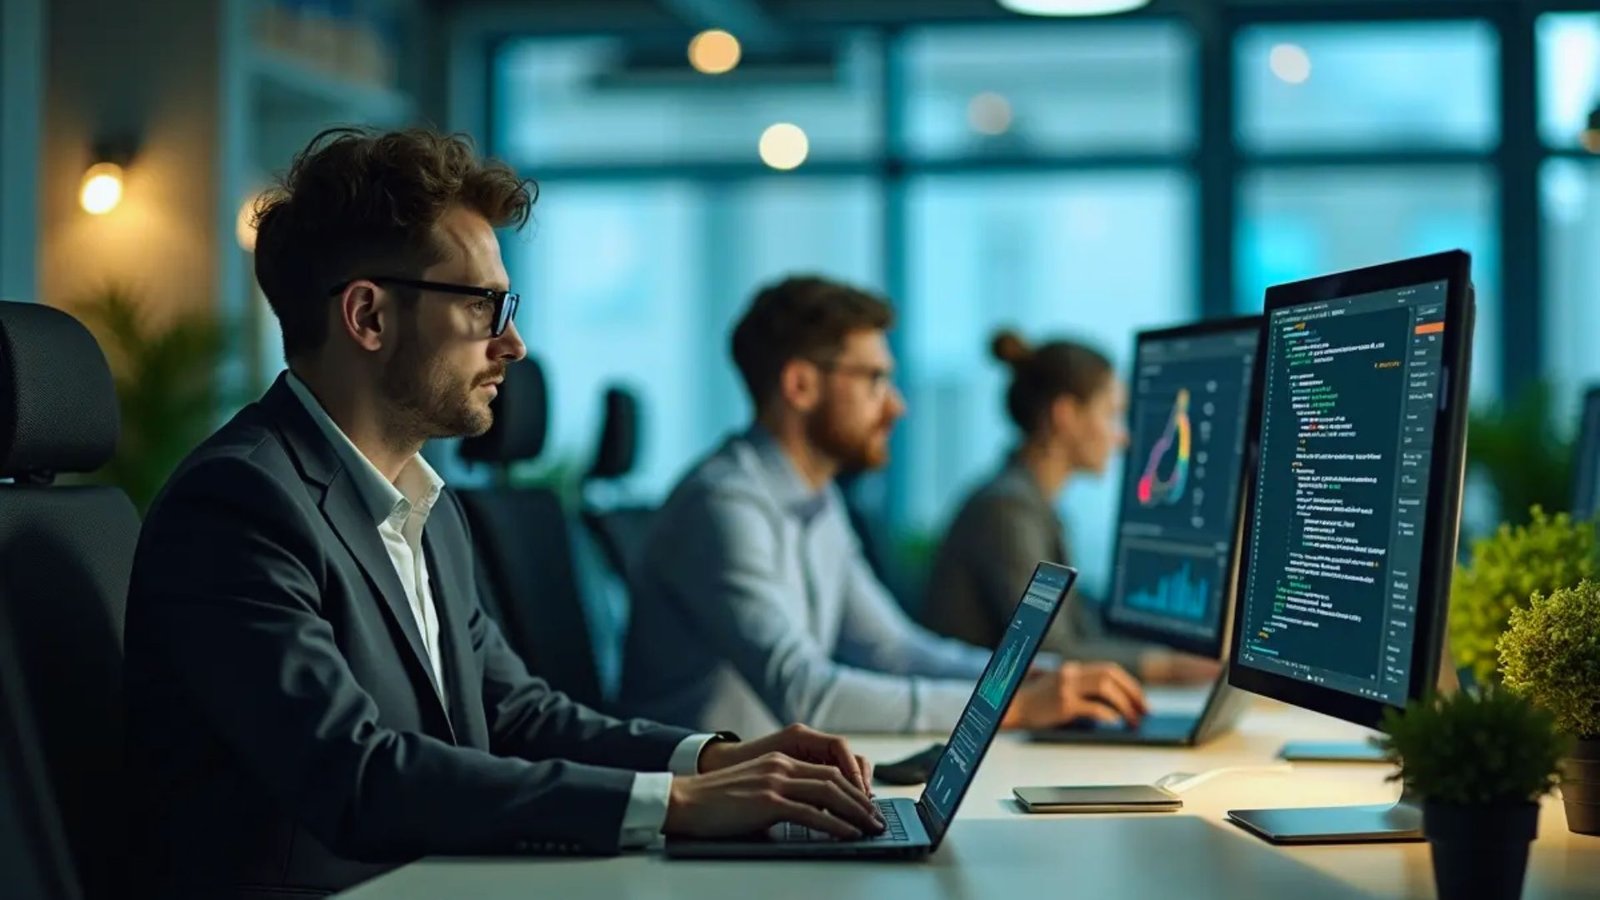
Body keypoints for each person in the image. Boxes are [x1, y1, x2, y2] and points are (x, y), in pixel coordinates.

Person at [122, 129, 884, 900]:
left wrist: (717, 760)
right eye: (487, 306)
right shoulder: (238, 506)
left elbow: (516, 713)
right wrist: (678, 807)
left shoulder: (428, 508)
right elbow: (354, 776)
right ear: (369, 316)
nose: (513, 344)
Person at [619, 276, 1147, 738]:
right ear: (800, 384)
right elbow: (805, 693)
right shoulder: (725, 505)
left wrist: (1022, 677)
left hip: (772, 787)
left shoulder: (814, 497)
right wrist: (1006, 707)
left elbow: (894, 650)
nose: (897, 404)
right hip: (702, 816)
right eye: (874, 379)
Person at [920, 331, 1221, 686]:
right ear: (1066, 416)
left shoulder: (1031, 503)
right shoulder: (1006, 510)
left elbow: (1078, 622)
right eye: (1111, 415)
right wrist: (1168, 666)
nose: (1121, 437)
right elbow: (1050, 648)